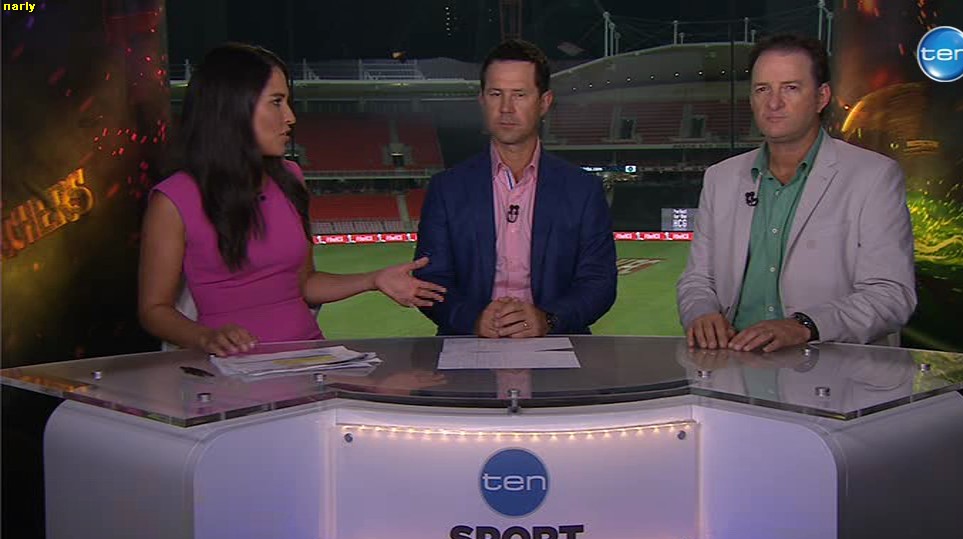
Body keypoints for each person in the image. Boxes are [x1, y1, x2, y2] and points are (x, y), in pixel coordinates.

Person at [138, 43, 445, 356]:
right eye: (276, 102)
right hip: (230, 369)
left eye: (287, 102)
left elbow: (304, 284)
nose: (290, 117)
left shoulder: (290, 177)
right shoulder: (172, 201)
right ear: (231, 108)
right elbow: (154, 309)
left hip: (309, 356)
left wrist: (373, 279)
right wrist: (205, 337)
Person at [677, 33, 915, 352]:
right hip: (735, 364)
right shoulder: (720, 178)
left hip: (831, 368)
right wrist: (701, 313)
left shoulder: (873, 176)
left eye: (790, 88)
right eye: (762, 89)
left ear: (821, 97)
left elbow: (892, 295)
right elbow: (697, 279)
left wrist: (805, 326)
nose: (773, 103)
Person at [413, 39, 616, 337]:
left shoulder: (583, 190)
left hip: (556, 345)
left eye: (519, 94)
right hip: (468, 346)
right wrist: (473, 320)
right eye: (496, 94)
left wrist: (547, 320)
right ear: (482, 100)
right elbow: (430, 278)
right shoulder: (447, 189)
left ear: (544, 102)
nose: (506, 108)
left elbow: (599, 283)